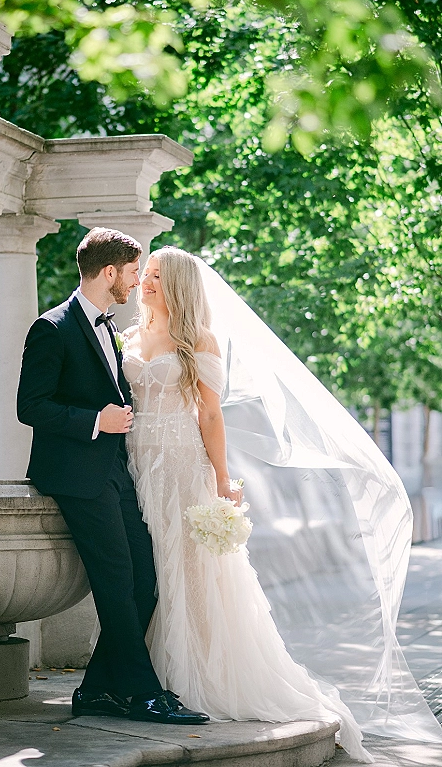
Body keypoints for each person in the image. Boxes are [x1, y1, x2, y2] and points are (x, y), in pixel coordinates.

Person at [121, 245, 373, 762]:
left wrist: (221, 479)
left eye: (157, 277)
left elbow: (211, 417)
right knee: (147, 569)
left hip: (183, 464)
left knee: (190, 570)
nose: (145, 283)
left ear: (181, 286)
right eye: (144, 274)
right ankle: (144, 672)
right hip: (132, 463)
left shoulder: (198, 340)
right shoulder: (126, 336)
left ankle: (194, 676)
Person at [16, 228, 209, 725]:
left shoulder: (110, 327)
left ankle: (99, 688)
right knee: (118, 579)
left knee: (146, 577)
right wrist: (94, 421)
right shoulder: (51, 328)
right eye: (131, 273)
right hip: (76, 475)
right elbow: (30, 406)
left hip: (118, 474)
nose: (135, 282)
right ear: (109, 273)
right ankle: (143, 693)